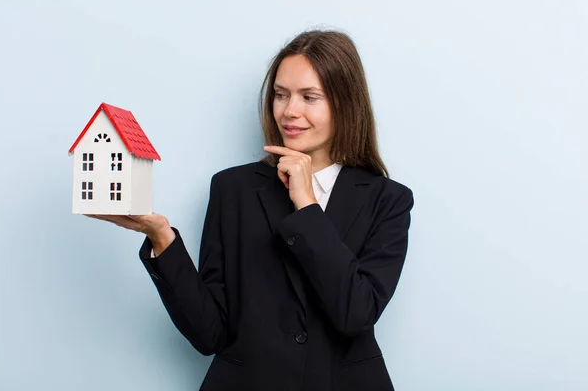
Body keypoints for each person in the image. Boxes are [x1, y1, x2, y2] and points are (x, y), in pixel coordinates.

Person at [86, 29, 414, 391]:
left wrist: (306, 204)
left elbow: (356, 313)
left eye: (310, 97)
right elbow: (210, 333)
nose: (290, 111)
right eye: (280, 94)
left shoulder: (388, 200)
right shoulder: (232, 189)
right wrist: (161, 238)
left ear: (345, 103)